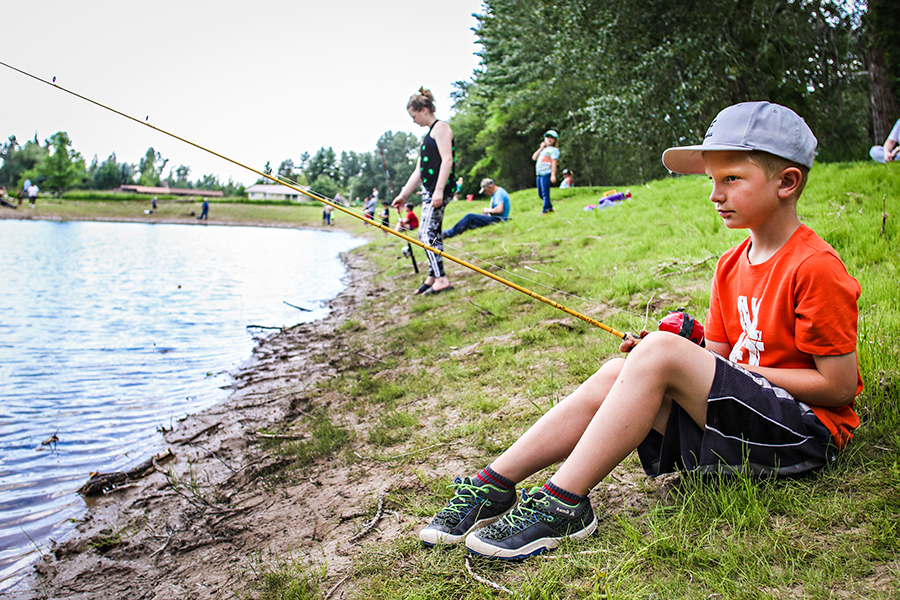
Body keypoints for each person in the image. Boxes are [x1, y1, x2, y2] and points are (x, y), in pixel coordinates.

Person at [419, 101, 862, 560]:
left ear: (787, 182)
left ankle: (563, 503)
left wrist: (682, 359)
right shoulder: (730, 265)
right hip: (744, 426)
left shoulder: (814, 267)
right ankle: (493, 484)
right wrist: (679, 355)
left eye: (732, 179)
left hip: (804, 436)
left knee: (660, 354)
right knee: (620, 369)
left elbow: (837, 387)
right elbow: (721, 357)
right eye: (712, 180)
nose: (715, 195)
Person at [392, 87, 455, 295]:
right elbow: (419, 171)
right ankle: (433, 276)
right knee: (433, 234)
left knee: (426, 234)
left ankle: (441, 279)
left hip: (438, 190)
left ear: (424, 110)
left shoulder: (441, 128)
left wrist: (439, 190)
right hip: (430, 190)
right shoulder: (428, 136)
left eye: (414, 116)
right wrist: (403, 195)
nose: (413, 121)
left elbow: (447, 160)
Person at [442, 178, 510, 239]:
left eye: (485, 191)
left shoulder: (499, 193)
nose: (486, 193)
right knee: (471, 222)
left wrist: (488, 210)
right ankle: (452, 231)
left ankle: (448, 233)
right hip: (495, 217)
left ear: (490, 187)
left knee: (470, 217)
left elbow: (499, 209)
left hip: (497, 219)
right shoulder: (497, 193)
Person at [532, 130, 559, 213]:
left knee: (545, 193)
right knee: (540, 193)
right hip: (539, 174)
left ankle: (545, 210)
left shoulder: (554, 150)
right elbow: (534, 157)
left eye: (552, 138)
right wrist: (541, 148)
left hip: (546, 173)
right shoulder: (543, 150)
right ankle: (549, 207)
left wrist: (553, 175)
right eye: (547, 137)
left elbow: (554, 162)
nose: (549, 139)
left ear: (555, 140)